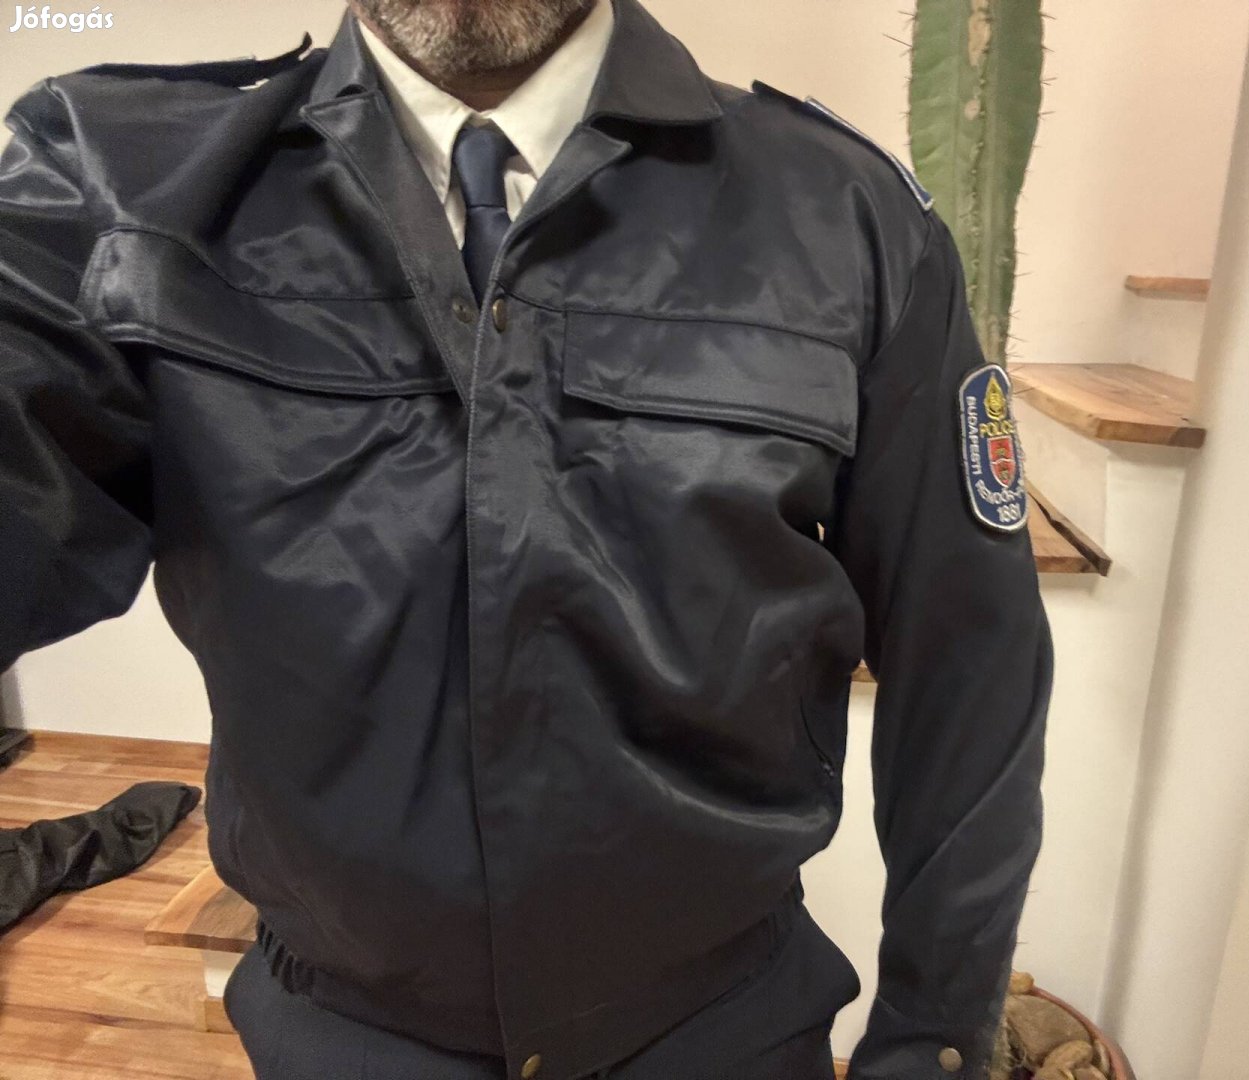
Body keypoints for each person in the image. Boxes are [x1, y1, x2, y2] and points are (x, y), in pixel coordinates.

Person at [0, 0, 1054, 1076]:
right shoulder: (111, 189)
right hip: (337, 1034)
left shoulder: (848, 217)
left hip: (725, 1030)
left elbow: (970, 660)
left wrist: (932, 1045)